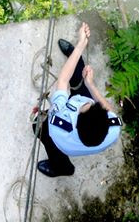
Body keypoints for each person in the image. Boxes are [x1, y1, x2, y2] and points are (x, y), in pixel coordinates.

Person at [35, 22, 122, 178]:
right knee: (80, 78)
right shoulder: (113, 131)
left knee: (40, 129)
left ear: (76, 119)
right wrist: (90, 84)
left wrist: (81, 43)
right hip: (83, 135)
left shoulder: (59, 124)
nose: (89, 102)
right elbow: (109, 110)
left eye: (88, 105)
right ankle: (74, 56)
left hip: (63, 143)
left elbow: (62, 80)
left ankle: (62, 168)